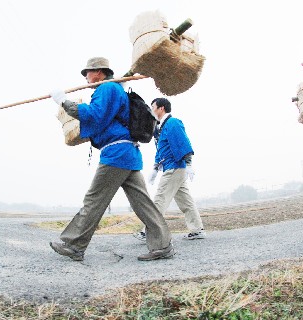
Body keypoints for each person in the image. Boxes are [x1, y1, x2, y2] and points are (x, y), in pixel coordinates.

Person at [48, 57, 173, 261]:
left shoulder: (107, 89)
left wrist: (64, 102)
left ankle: (74, 245)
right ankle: (163, 245)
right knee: (142, 203)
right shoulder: (115, 89)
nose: (86, 77)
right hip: (128, 153)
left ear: (99, 72)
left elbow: (95, 115)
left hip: (116, 154)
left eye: (87, 72)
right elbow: (104, 118)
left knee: (94, 200)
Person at [134, 97, 205, 241]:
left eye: (153, 106)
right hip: (171, 167)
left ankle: (148, 231)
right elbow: (161, 149)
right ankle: (197, 230)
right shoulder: (159, 128)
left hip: (175, 167)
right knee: (186, 201)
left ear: (161, 108)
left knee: (160, 198)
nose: (151, 109)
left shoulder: (173, 123)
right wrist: (155, 167)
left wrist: (189, 163)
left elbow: (182, 142)